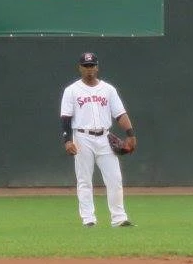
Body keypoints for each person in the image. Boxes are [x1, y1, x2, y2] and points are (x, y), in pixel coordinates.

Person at [59, 51, 138, 227]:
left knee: (115, 179)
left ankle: (119, 218)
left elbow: (120, 114)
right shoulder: (71, 90)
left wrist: (130, 134)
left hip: (104, 137)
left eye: (92, 65)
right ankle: (88, 219)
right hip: (81, 137)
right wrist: (67, 140)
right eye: (86, 66)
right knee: (84, 180)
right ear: (80, 68)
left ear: (97, 67)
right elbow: (65, 117)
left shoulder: (108, 90)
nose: (89, 69)